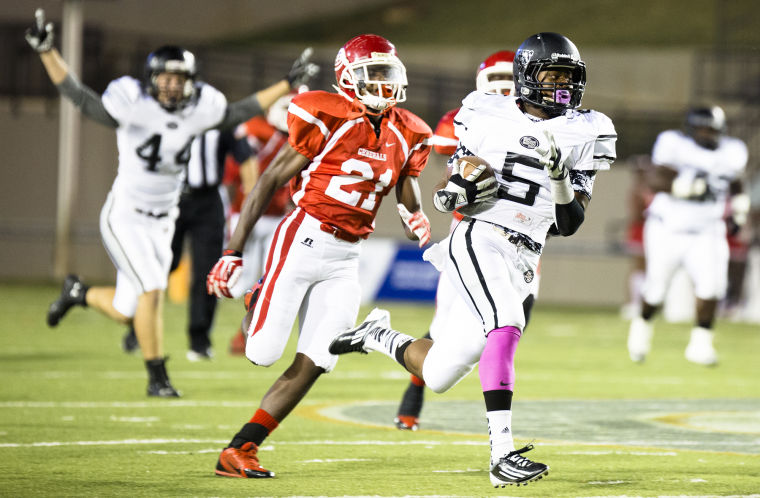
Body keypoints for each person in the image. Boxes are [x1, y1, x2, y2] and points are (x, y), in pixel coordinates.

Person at [330, 32, 617, 488]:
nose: (562, 85)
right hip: (481, 236)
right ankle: (502, 455)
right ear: (526, 77)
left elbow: (568, 224)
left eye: (569, 76)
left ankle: (376, 336)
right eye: (552, 74)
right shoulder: (486, 112)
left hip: (526, 252)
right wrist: (454, 191)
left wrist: (560, 176)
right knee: (507, 324)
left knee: (442, 372)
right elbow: (459, 180)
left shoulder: (588, 129)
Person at [30, 7, 319, 397]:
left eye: (178, 78)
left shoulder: (200, 108)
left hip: (164, 218)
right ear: (151, 79)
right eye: (164, 77)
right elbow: (81, 98)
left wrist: (286, 83)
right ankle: (157, 377)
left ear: (191, 82)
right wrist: (48, 51)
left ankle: (78, 293)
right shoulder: (132, 102)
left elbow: (240, 110)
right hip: (126, 215)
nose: (170, 85)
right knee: (153, 289)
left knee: (127, 309)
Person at [205, 34, 432, 479]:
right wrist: (232, 251)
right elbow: (268, 181)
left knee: (318, 357)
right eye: (374, 72)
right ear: (347, 76)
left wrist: (417, 215)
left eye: (389, 71)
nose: (384, 81)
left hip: (349, 255)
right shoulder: (327, 115)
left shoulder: (409, 130)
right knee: (262, 353)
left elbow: (407, 189)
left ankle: (240, 449)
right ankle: (257, 298)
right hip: (303, 236)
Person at [395, 49, 527, 431]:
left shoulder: (543, 119)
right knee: (445, 328)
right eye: (495, 81)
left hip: (521, 243)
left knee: (509, 326)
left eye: (509, 81)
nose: (503, 89)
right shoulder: (465, 119)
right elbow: (444, 156)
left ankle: (497, 424)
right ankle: (415, 397)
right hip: (471, 237)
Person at [627, 105, 749, 365]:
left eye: (712, 129)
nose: (707, 133)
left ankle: (700, 345)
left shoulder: (732, 150)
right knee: (656, 289)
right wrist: (686, 188)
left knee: (713, 286)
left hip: (708, 229)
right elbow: (655, 179)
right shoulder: (673, 143)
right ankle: (640, 331)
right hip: (666, 227)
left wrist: (738, 210)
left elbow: (736, 182)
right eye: (702, 128)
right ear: (691, 129)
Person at [226, 93, 297, 355]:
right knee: (235, 284)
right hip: (246, 211)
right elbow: (235, 168)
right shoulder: (255, 128)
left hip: (276, 216)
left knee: (269, 278)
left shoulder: (302, 134)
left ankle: (243, 333)